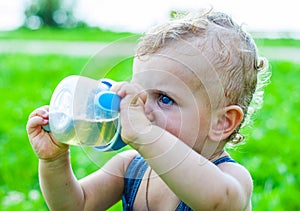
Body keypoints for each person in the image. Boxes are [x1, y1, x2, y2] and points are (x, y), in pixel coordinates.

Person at [26, 9, 269, 211]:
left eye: (164, 99)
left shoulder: (230, 178)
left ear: (222, 122)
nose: (142, 109)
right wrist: (54, 161)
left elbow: (217, 202)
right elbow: (76, 206)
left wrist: (145, 135)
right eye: (138, 93)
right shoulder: (130, 166)